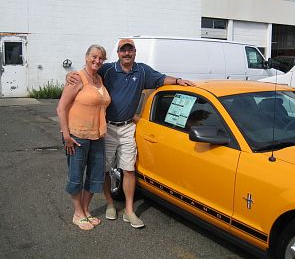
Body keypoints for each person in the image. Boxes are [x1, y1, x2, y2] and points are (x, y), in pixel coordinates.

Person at [67, 39, 195, 228]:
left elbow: (161, 79)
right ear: (118, 53)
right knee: (103, 170)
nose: (127, 54)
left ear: (135, 52)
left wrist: (177, 81)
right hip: (107, 127)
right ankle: (110, 203)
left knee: (129, 169)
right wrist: (70, 75)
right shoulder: (108, 69)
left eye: (130, 50)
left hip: (128, 127)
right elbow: (88, 73)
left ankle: (129, 210)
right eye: (123, 51)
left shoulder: (142, 70)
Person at [57, 44, 111, 230]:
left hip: (97, 136)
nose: (97, 60)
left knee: (96, 176)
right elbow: (61, 107)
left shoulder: (99, 79)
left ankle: (86, 210)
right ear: (86, 56)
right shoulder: (77, 78)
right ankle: (77, 213)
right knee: (76, 175)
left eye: (101, 58)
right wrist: (66, 135)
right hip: (77, 136)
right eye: (94, 57)